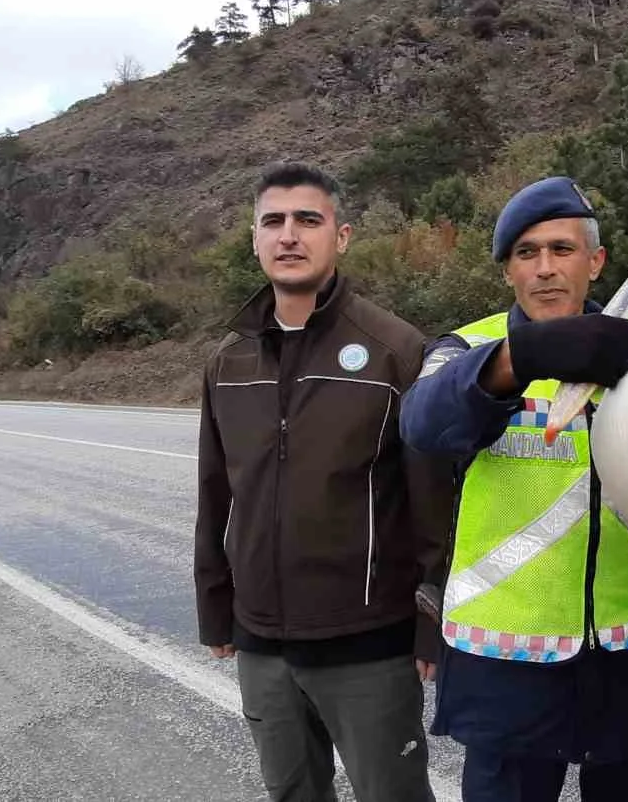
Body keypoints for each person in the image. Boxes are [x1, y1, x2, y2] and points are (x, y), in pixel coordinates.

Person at [398, 177, 628, 802]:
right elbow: (424, 422)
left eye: (562, 250)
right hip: (505, 661)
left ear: (595, 263)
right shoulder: (467, 348)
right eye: (526, 253)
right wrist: (520, 359)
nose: (544, 269)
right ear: (507, 269)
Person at [194, 161, 456, 802]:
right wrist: (216, 610)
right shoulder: (229, 361)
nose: (289, 235)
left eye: (308, 220)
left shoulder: (395, 349)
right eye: (273, 222)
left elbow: (432, 506)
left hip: (367, 644)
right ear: (254, 239)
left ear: (340, 236)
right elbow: (213, 494)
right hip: (261, 643)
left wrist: (431, 620)